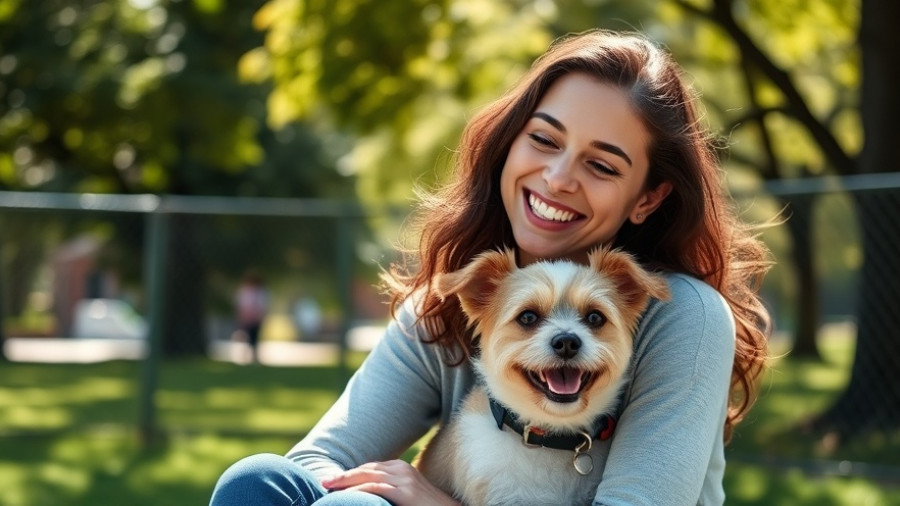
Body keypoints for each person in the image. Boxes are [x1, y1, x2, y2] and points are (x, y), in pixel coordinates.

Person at [210, 29, 772, 506]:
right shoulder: (450, 297)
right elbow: (322, 460)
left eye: (601, 164)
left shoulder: (683, 314)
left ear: (647, 197)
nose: (557, 178)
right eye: (544, 140)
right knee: (256, 482)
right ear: (509, 145)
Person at [235, 270, 270, 364]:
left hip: (255, 318)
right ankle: (247, 356)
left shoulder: (260, 292)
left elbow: (263, 305)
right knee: (247, 337)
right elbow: (241, 305)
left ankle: (254, 356)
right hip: (247, 318)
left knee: (254, 337)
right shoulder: (245, 291)